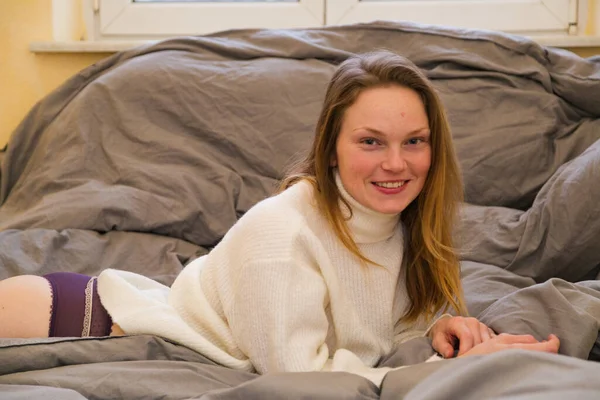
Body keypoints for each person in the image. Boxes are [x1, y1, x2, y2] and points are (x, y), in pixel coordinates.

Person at [0, 50, 559, 385]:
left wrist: (437, 324)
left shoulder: (406, 225)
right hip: (80, 316)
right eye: (371, 141)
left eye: (415, 141)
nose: (397, 163)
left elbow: (383, 315)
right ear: (331, 147)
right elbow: (298, 377)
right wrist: (452, 372)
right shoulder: (283, 230)